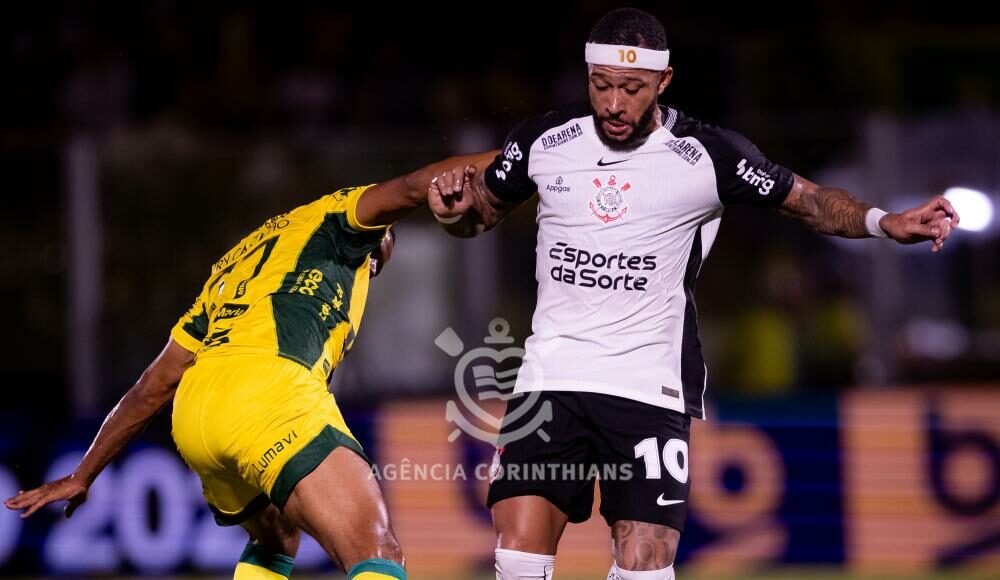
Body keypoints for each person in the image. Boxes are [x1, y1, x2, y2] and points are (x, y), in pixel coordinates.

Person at [427, 8, 959, 580]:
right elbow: (478, 214)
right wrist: (454, 212)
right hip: (549, 379)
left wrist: (885, 222)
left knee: (644, 565)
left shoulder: (707, 154)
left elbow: (807, 201)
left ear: (664, 81)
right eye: (601, 85)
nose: (613, 104)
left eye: (631, 89)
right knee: (517, 560)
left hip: (647, 386)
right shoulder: (543, 142)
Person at [4, 152, 494, 580]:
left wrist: (85, 472)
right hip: (267, 394)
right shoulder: (341, 220)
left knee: (275, 540)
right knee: (377, 551)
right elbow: (415, 185)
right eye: (381, 248)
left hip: (197, 413)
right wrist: (522, 154)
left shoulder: (236, 265)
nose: (378, 259)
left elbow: (154, 385)